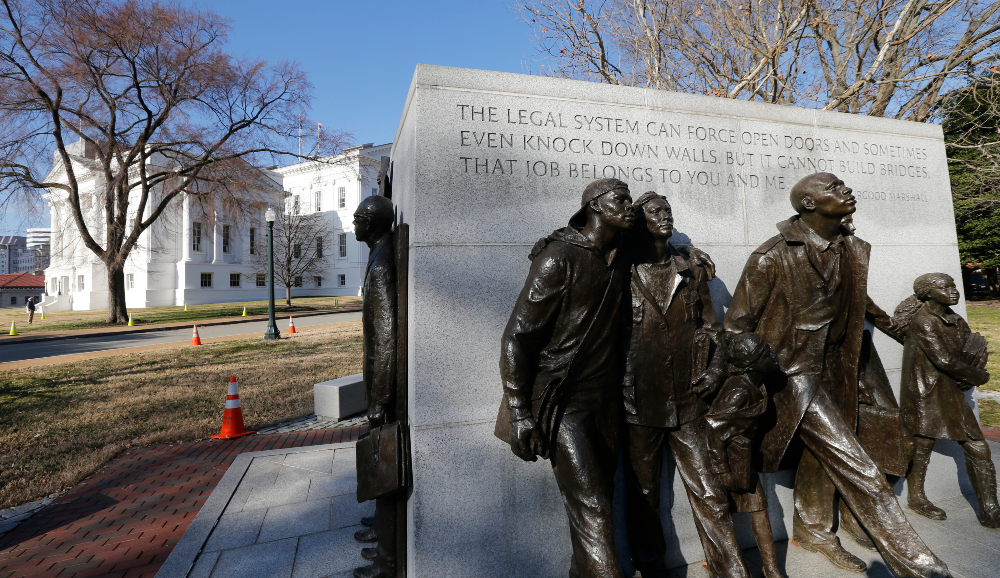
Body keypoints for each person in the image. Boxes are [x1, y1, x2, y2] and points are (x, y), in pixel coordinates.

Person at [724, 172, 951, 577]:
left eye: (844, 185)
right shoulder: (771, 256)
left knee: (821, 454)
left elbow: (858, 301)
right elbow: (736, 325)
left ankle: (813, 530)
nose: (846, 190)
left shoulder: (848, 248)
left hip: (842, 367)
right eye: (834, 187)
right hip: (794, 373)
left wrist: (900, 330)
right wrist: (754, 376)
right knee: (858, 464)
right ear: (809, 204)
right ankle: (919, 565)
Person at [497, 178, 634, 578]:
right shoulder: (558, 258)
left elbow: (660, 244)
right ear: (594, 206)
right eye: (620, 200)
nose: (630, 207)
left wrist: (689, 258)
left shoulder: (619, 254)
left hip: (606, 400)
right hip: (561, 403)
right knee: (594, 509)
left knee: (597, 503)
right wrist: (521, 413)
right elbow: (516, 338)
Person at [618, 191, 747, 578]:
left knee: (711, 492)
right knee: (643, 497)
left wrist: (715, 368)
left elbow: (712, 325)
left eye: (668, 211)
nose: (664, 216)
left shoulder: (689, 267)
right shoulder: (620, 266)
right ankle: (652, 569)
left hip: (690, 398)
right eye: (654, 212)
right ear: (637, 220)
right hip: (637, 402)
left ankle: (731, 570)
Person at [894, 273, 999, 528]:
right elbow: (944, 360)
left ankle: (990, 508)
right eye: (944, 287)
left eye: (953, 285)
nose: (953, 290)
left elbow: (964, 351)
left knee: (978, 446)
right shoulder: (924, 321)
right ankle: (917, 497)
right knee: (922, 443)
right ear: (927, 292)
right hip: (925, 392)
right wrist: (979, 376)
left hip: (950, 390)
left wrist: (972, 370)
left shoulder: (955, 318)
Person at [704, 332, 785, 578]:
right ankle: (722, 563)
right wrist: (722, 470)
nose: (774, 356)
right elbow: (714, 429)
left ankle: (771, 569)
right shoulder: (738, 393)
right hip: (722, 459)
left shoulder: (755, 384)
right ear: (752, 363)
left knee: (759, 507)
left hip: (741, 457)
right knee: (720, 513)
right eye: (766, 353)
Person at [352, 195, 398, 578]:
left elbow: (385, 337)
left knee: (384, 462)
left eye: (357, 219)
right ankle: (381, 529)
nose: (353, 225)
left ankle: (388, 560)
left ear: (372, 223)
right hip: (375, 378)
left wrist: (379, 398)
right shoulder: (377, 254)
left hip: (380, 384)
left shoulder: (382, 264)